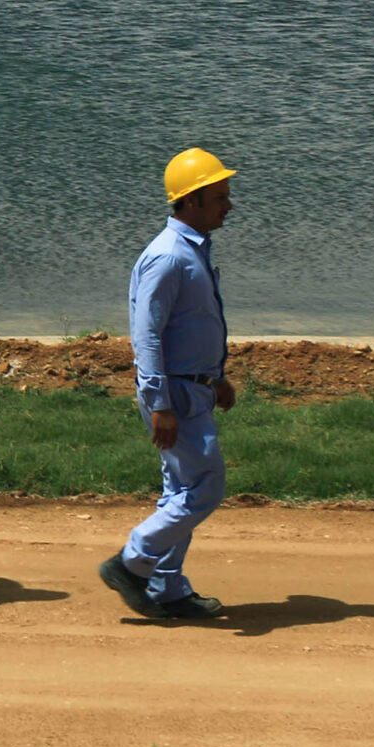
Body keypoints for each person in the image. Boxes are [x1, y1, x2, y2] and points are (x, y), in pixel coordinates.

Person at [99, 147, 239, 622]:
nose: (229, 205)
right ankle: (132, 563)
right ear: (194, 200)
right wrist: (160, 403)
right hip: (174, 394)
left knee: (180, 492)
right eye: (221, 196)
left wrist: (216, 379)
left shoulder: (191, 251)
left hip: (192, 387)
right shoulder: (167, 258)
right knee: (205, 485)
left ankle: (167, 586)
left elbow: (191, 327)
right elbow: (147, 336)